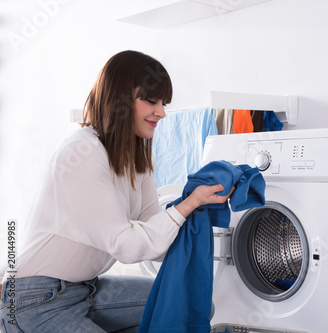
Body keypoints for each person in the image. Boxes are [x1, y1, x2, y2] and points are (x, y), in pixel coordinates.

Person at [0, 50, 232, 333]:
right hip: (34, 298)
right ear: (119, 99)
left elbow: (152, 241)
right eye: (151, 101)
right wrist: (187, 205)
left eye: (163, 103)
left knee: (193, 306)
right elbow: (126, 245)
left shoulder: (138, 160)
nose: (162, 112)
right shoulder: (82, 153)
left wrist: (198, 208)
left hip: (87, 289)